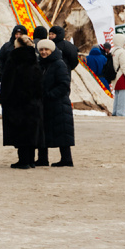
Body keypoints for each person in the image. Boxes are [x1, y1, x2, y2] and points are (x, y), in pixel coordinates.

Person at [1, 29, 43, 168]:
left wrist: (4, 98)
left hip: (17, 101)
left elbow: (8, 81)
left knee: (19, 130)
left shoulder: (14, 58)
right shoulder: (34, 59)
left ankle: (23, 161)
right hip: (33, 101)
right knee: (31, 130)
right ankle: (31, 160)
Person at [37, 39, 75, 167]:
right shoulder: (40, 64)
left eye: (46, 49)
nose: (43, 52)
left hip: (58, 103)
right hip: (45, 103)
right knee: (43, 131)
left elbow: (64, 84)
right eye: (41, 49)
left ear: (51, 50)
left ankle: (66, 159)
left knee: (62, 131)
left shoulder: (59, 64)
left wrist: (50, 94)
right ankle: (42, 158)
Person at [110, 32, 125, 117]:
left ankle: (115, 111)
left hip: (114, 75)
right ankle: (121, 112)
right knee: (123, 96)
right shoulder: (122, 52)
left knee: (117, 94)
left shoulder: (113, 51)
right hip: (121, 76)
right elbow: (124, 66)